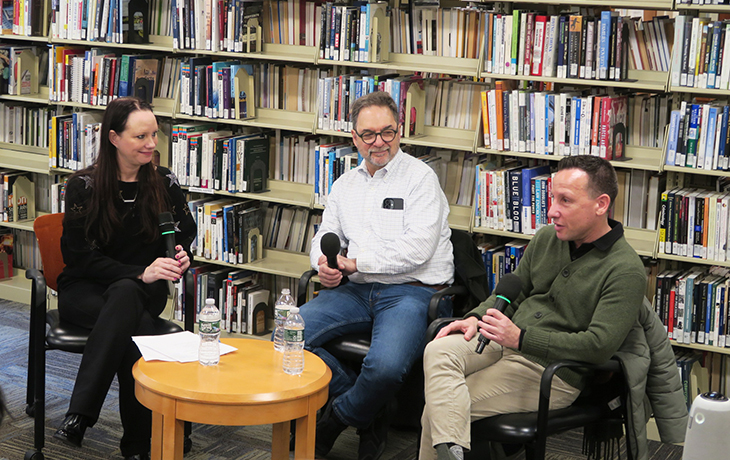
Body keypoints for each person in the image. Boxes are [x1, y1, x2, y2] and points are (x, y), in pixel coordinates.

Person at [419, 156, 647, 460]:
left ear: (601, 204)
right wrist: (475, 317)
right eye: (553, 197)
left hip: (553, 370)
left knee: (439, 412)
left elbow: (598, 346)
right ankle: (453, 453)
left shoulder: (625, 269)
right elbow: (515, 289)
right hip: (504, 341)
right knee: (438, 350)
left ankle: (450, 452)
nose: (552, 210)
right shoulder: (546, 239)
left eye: (565, 200)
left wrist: (521, 339)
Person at [301, 91, 454, 460]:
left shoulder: (420, 179)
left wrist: (356, 263)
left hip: (412, 291)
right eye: (368, 134)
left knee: (385, 369)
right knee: (284, 336)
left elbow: (417, 249)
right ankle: (366, 406)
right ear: (354, 137)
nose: (379, 142)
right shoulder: (344, 184)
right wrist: (324, 263)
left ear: (399, 131)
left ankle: (336, 419)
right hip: (355, 291)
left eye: (388, 132)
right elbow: (325, 235)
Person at [52, 97, 196, 460]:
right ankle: (137, 446)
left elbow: (185, 231)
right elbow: (79, 259)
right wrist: (138, 272)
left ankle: (80, 415)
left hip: (144, 290)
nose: (151, 144)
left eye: (154, 134)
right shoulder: (83, 186)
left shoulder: (163, 181)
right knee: (135, 330)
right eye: (140, 136)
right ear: (114, 138)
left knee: (128, 298)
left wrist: (179, 253)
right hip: (86, 290)